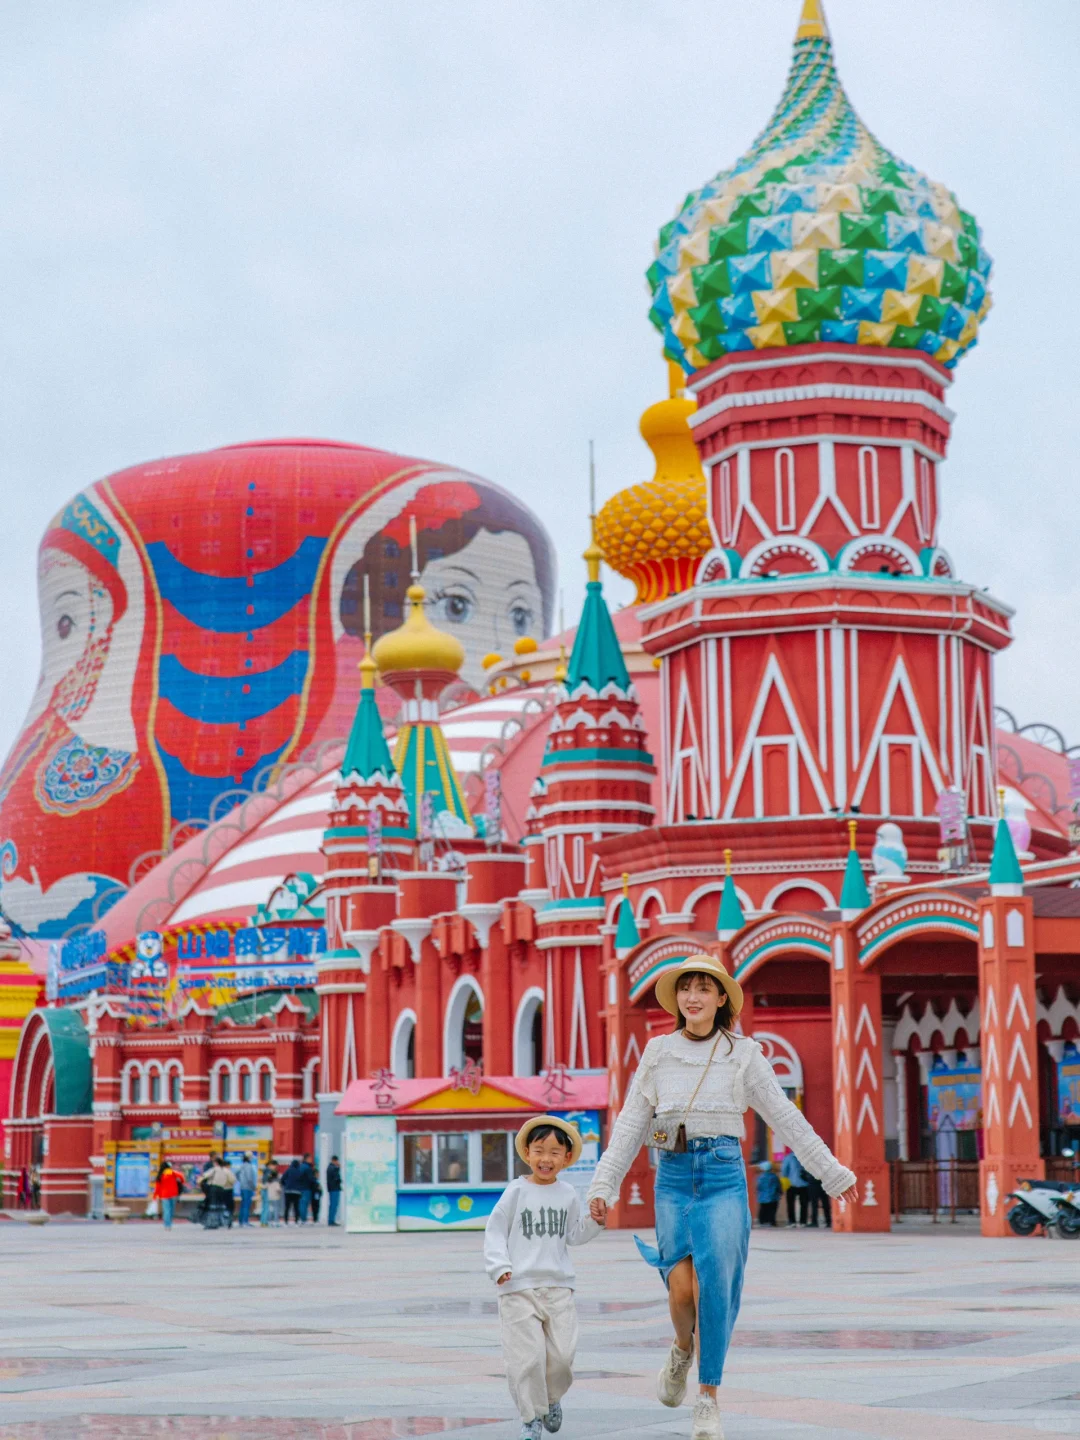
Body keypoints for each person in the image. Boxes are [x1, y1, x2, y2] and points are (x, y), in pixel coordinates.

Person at [587, 956, 858, 1440]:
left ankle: (707, 1398)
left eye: (704, 989)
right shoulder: (657, 1052)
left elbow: (786, 1118)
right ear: (677, 1000)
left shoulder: (745, 1054)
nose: (694, 997)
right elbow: (630, 1124)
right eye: (686, 988)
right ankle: (680, 1349)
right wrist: (602, 1185)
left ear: (721, 1000)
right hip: (671, 1176)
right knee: (681, 1287)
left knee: (715, 1289)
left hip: (723, 1177)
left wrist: (832, 1174)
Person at [484, 1115, 601, 1440]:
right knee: (527, 1359)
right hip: (517, 1287)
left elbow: (575, 1235)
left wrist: (595, 1221)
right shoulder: (515, 1191)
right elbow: (495, 1230)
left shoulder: (568, 1194)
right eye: (539, 1150)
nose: (545, 1159)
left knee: (562, 1356)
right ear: (527, 1152)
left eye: (553, 1152)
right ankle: (531, 1418)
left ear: (566, 1158)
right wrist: (499, 1266)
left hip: (559, 1287)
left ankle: (550, 1400)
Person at [153, 1160, 185, 1230]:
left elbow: (157, 1187)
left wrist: (155, 1196)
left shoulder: (160, 1175)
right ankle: (169, 1223)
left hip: (164, 1195)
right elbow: (181, 1177)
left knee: (166, 1210)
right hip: (174, 1193)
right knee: (171, 1209)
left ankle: (167, 1225)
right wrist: (181, 1182)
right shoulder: (172, 1172)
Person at [781, 1148, 808, 1227]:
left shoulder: (788, 1158)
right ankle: (803, 1221)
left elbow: (784, 1171)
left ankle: (792, 1221)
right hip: (803, 1184)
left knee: (792, 1204)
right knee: (803, 1204)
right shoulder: (805, 1157)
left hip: (793, 1184)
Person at [804, 1165, 832, 1230]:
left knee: (815, 1204)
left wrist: (807, 1178)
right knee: (825, 1204)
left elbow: (805, 1173)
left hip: (814, 1184)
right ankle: (828, 1221)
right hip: (823, 1184)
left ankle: (815, 1222)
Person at [754, 1162, 780, 1228]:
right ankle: (771, 1221)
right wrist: (780, 1192)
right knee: (772, 1210)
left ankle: (762, 1221)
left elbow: (758, 1186)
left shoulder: (760, 1177)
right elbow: (778, 1186)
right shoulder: (774, 1177)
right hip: (773, 1197)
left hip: (763, 1197)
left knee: (763, 1209)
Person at [235, 1153, 258, 1227]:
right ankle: (245, 1221)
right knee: (246, 1205)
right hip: (248, 1188)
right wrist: (253, 1187)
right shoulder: (248, 1166)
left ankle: (241, 1221)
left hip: (242, 1187)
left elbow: (236, 1174)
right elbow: (249, 1178)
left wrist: (241, 1181)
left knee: (243, 1204)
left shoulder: (241, 1166)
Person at [281, 1158, 305, 1224]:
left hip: (288, 1191)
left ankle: (286, 1220)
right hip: (296, 1192)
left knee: (287, 1207)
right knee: (296, 1207)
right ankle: (296, 1220)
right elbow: (302, 1182)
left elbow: (282, 1179)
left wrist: (285, 1185)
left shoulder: (288, 1170)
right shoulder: (299, 1172)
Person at [297, 1153, 316, 1223]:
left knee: (301, 1203)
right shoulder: (307, 1168)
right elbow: (311, 1178)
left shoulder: (300, 1166)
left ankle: (301, 1218)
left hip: (300, 1188)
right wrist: (316, 1183)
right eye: (310, 1158)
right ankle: (303, 1218)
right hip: (306, 1188)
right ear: (307, 1159)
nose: (311, 1160)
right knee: (304, 1204)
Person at [260, 1159, 280, 1227]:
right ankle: (265, 1221)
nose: (275, 1168)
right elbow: (267, 1181)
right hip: (267, 1190)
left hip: (264, 1189)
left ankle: (263, 1221)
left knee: (264, 1206)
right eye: (275, 1166)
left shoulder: (265, 1170)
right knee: (266, 1206)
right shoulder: (269, 1171)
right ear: (271, 1165)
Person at [326, 1155, 342, 1227]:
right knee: (333, 1205)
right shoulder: (332, 1168)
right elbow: (336, 1177)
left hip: (332, 1188)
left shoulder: (330, 1168)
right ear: (334, 1160)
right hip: (334, 1188)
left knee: (333, 1205)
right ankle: (331, 1220)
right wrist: (338, 1168)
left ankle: (331, 1220)